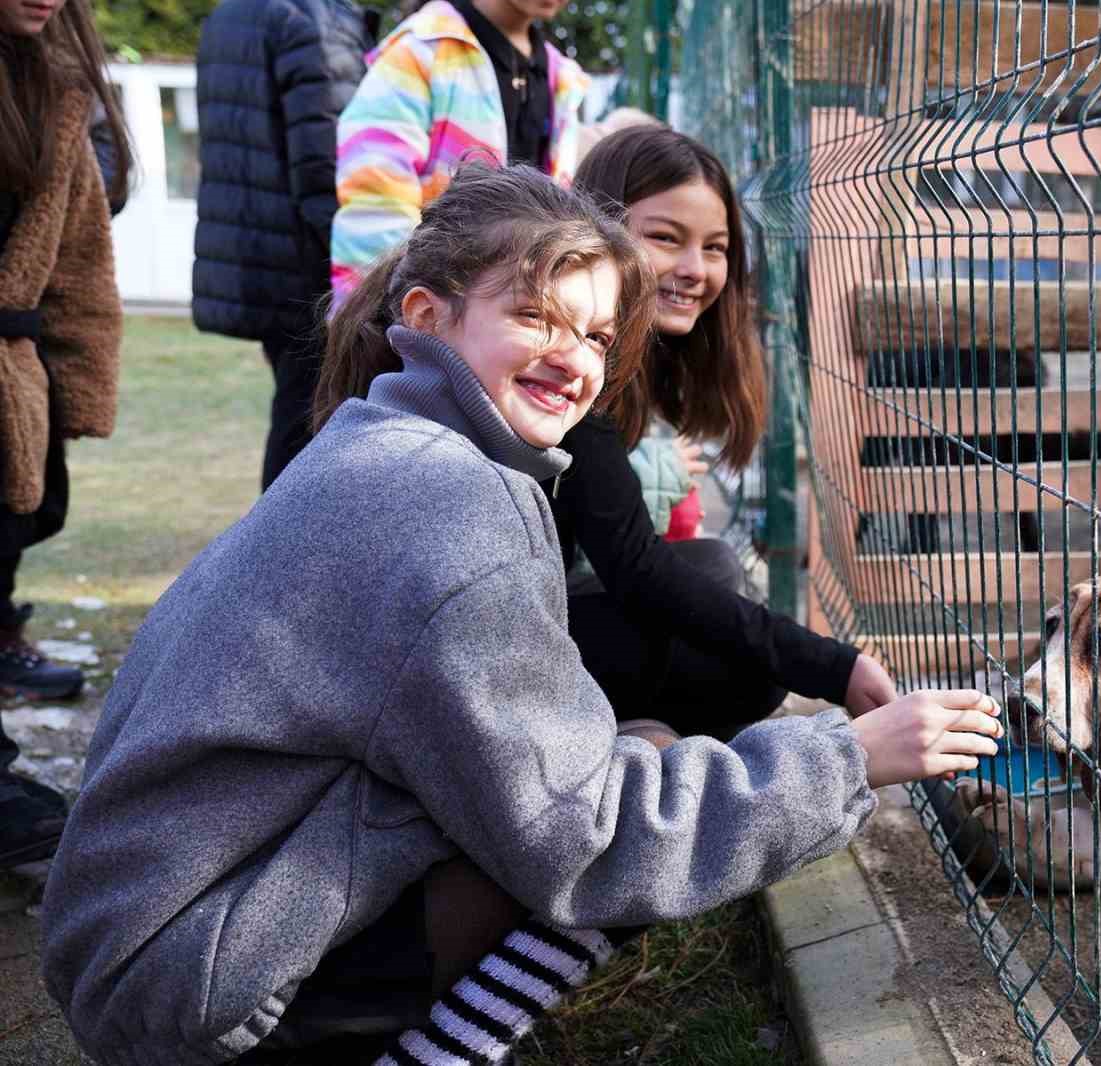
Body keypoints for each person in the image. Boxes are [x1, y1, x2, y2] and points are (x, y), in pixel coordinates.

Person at [40, 162, 1004, 1064]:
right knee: (629, 821)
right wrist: (850, 757)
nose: (575, 360)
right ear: (429, 313)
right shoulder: (453, 502)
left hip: (146, 939)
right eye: (538, 317)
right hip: (199, 987)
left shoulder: (379, 442)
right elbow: (589, 842)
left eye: (593, 335)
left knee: (638, 753)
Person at [564, 126, 898, 747]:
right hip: (482, 648)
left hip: (534, 612)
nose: (694, 270)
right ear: (596, 232)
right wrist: (831, 665)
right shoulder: (572, 358)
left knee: (716, 572)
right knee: (749, 664)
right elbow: (634, 567)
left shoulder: (634, 361)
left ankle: (628, 736)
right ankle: (609, 755)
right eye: (665, 238)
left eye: (715, 248)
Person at [0, 0, 128, 868]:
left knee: (16, 526)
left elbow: (78, 250)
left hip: (14, 372)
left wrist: (76, 387)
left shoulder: (55, 81)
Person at [191, 0, 379, 490]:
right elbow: (328, 170)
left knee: (298, 412)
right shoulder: (313, 21)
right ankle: (281, 556)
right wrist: (370, 281)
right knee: (311, 422)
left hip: (258, 257)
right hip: (308, 266)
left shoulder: (231, 14)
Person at [330, 0, 589, 307]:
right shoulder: (421, 51)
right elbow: (372, 195)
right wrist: (386, 312)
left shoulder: (561, 77)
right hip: (416, 310)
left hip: (512, 317)